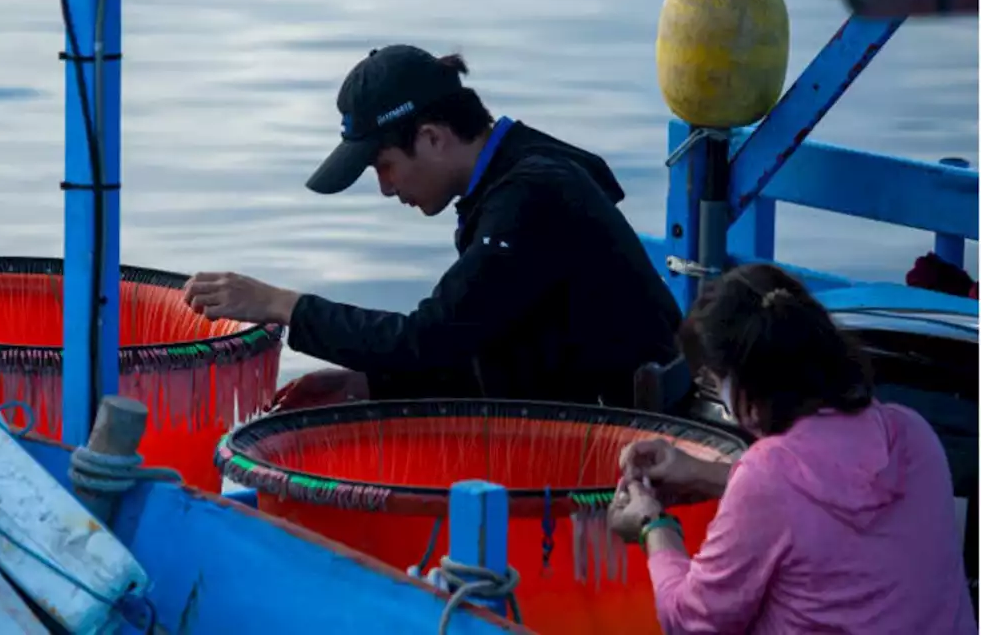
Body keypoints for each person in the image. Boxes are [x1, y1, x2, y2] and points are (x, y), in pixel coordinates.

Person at [181, 44, 682, 409]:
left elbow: (428, 338)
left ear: (432, 137)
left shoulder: (531, 195)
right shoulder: (518, 169)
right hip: (593, 409)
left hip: (635, 435)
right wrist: (369, 385)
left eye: (384, 166)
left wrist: (280, 304)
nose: (385, 188)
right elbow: (476, 338)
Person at [609, 262, 976, 634]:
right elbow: (814, 499)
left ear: (745, 389)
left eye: (715, 381)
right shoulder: (913, 432)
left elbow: (691, 620)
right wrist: (702, 472)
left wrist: (652, 525)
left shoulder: (767, 476)